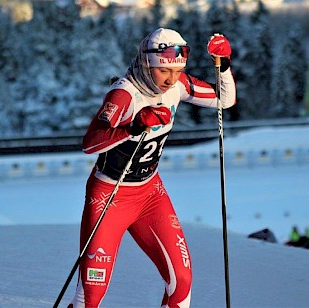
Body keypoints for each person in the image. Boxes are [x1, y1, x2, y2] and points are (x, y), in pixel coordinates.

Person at [68, 28, 236, 307]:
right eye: (163, 71)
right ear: (147, 63)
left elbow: (224, 100)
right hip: (109, 197)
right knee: (92, 294)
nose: (170, 80)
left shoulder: (178, 84)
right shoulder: (124, 94)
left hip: (150, 194)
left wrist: (225, 65)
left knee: (181, 280)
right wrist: (133, 126)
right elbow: (90, 143)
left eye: (176, 71)